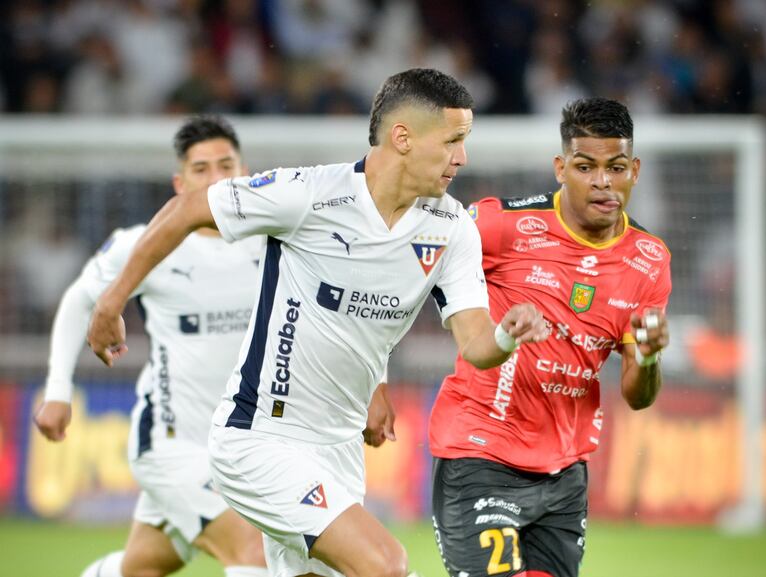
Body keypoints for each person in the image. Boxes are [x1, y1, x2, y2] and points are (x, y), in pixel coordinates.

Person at [86, 68, 550, 577]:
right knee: (387, 565)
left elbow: (478, 344)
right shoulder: (311, 194)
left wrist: (508, 334)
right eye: (453, 141)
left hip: (340, 451)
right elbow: (187, 208)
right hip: (260, 437)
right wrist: (112, 301)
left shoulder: (452, 228)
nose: (462, 157)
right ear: (403, 138)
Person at [429, 97, 672, 577]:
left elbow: (638, 397)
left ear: (635, 170)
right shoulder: (502, 225)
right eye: (586, 167)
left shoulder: (650, 259)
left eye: (616, 167)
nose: (603, 182)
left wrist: (646, 358)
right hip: (480, 453)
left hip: (564, 472)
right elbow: (413, 269)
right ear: (561, 168)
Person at [34, 115, 271, 577]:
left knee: (140, 568)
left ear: (245, 173)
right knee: (254, 553)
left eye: (226, 165)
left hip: (243, 449)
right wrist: (59, 390)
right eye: (201, 170)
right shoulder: (144, 245)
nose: (216, 179)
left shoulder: (274, 241)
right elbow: (79, 301)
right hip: (171, 447)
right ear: (180, 184)